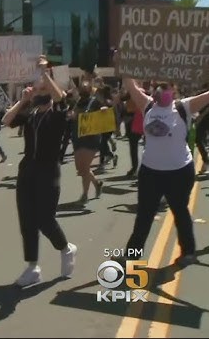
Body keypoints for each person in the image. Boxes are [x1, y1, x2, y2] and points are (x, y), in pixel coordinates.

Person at [2, 56, 77, 287]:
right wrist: (23, 100)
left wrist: (45, 73)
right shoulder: (31, 113)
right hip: (28, 171)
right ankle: (33, 267)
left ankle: (66, 248)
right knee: (27, 220)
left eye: (44, 84)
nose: (39, 87)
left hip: (48, 171)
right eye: (38, 84)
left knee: (45, 219)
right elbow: (6, 120)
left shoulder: (58, 114)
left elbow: (61, 99)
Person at [120, 79, 209, 266]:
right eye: (159, 89)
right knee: (144, 215)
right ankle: (131, 254)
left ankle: (188, 252)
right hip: (151, 172)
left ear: (174, 92)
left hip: (179, 172)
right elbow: (130, 85)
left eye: (167, 89)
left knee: (180, 213)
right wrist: (123, 59)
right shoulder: (148, 105)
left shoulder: (184, 107)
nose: (162, 92)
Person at [71, 81, 105, 204]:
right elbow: (73, 114)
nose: (83, 90)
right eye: (82, 88)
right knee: (81, 168)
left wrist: (104, 110)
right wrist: (71, 116)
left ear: (90, 90)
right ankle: (97, 183)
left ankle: (85, 195)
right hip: (78, 137)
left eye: (86, 88)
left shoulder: (95, 102)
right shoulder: (77, 102)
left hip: (91, 138)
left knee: (84, 167)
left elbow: (105, 111)